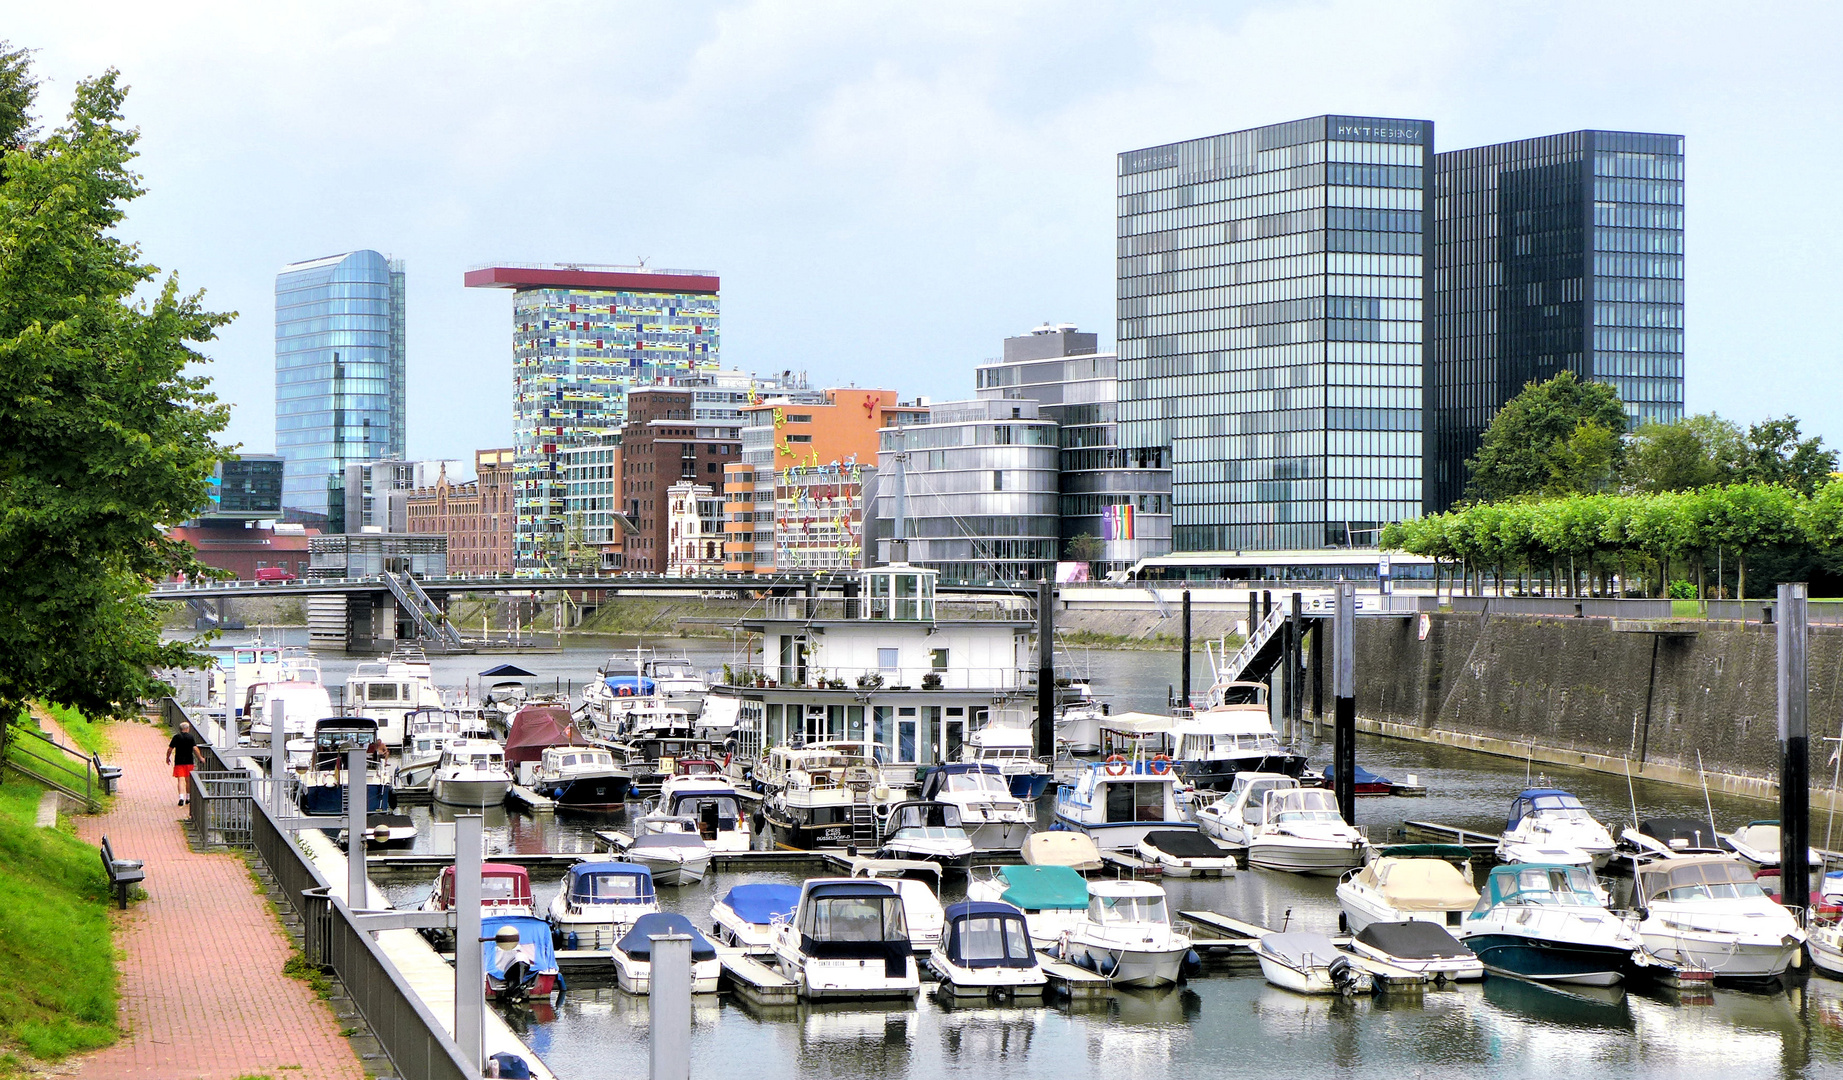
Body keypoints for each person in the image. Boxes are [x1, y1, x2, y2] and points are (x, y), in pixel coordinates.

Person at [167, 720, 201, 806]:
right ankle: (188, 798)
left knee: (180, 780)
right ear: (187, 729)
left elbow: (170, 749)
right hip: (189, 761)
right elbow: (195, 749)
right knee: (188, 780)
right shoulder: (190, 737)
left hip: (179, 761)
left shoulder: (176, 737)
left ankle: (181, 797)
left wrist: (167, 758)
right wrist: (200, 757)